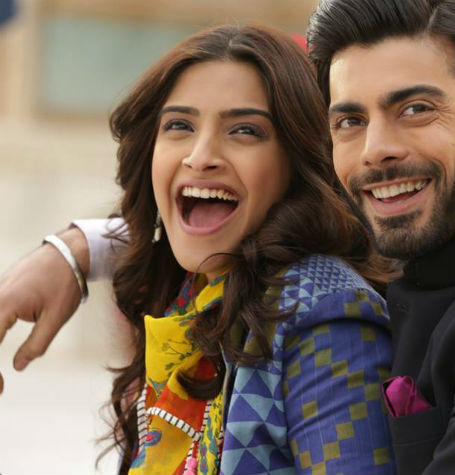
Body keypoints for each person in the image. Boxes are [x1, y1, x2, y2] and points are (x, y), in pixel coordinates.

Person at [1, 0, 455, 473]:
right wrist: (77, 250)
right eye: (350, 120)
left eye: (415, 109)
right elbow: (255, 214)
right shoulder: (445, 220)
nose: (376, 150)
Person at [1, 24, 397, 475]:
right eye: (179, 126)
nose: (201, 155)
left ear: (297, 160)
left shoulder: (325, 314)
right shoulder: (194, 289)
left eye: (244, 130)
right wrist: (71, 250)